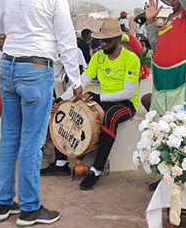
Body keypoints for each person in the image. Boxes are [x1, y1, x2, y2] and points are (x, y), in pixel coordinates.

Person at [0, 0, 84, 226]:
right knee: (32, 141)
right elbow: (67, 42)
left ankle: (2, 204)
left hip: (8, 67)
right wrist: (75, 81)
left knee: (9, 138)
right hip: (36, 69)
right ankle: (30, 209)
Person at [41, 20, 140, 190]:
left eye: (107, 41)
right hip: (103, 99)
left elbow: (128, 93)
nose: (103, 44)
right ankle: (61, 163)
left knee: (111, 116)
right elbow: (83, 81)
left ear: (118, 39)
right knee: (67, 107)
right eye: (101, 40)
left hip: (125, 103)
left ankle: (97, 169)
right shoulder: (98, 57)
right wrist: (61, 100)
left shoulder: (131, 59)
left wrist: (98, 97)